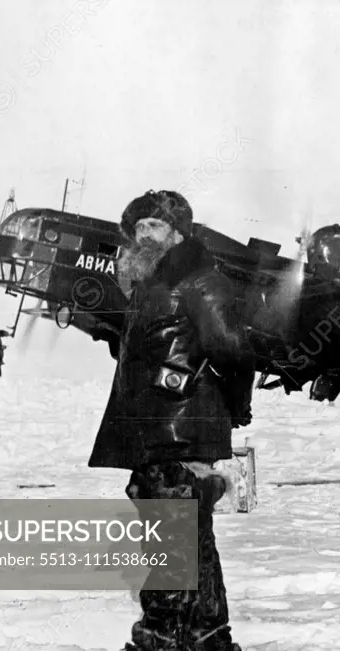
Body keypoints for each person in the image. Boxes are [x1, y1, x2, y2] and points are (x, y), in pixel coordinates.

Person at [88, 190, 257, 651]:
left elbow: (235, 351)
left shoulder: (201, 282)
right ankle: (208, 640)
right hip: (155, 436)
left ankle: (158, 641)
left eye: (154, 226)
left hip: (180, 435)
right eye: (138, 228)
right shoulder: (149, 290)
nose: (144, 235)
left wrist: (229, 412)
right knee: (192, 542)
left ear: (178, 233)